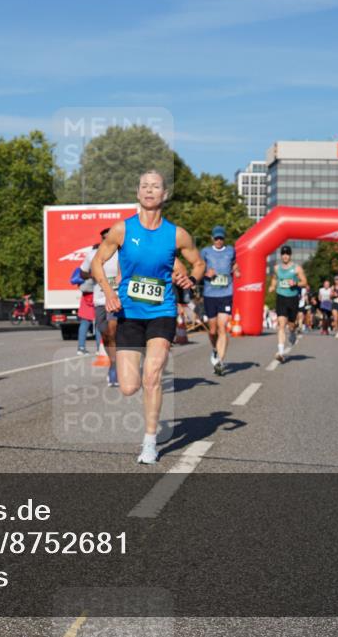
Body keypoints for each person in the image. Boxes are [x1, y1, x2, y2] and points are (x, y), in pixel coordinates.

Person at [91, 170, 204, 465]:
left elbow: (199, 262)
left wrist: (190, 278)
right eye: (144, 186)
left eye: (155, 186)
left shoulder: (176, 234)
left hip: (162, 312)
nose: (150, 190)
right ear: (138, 193)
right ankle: (146, 392)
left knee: (152, 376)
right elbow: (96, 262)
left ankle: (150, 442)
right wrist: (109, 290)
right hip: (129, 312)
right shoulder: (122, 230)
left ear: (165, 194)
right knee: (129, 386)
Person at [200, 225, 240, 376]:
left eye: (221, 238)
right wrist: (205, 273)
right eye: (216, 238)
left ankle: (220, 362)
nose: (218, 240)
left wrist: (236, 269)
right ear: (212, 238)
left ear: (224, 239)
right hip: (210, 294)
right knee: (212, 330)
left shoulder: (230, 250)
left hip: (226, 293)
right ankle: (215, 349)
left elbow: (234, 263)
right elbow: (198, 267)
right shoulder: (205, 252)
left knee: (222, 327)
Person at [82, 228, 120, 384]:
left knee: (113, 331)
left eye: (110, 237)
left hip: (117, 300)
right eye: (105, 238)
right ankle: (114, 362)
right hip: (99, 300)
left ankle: (115, 368)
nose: (107, 240)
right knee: (105, 334)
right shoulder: (93, 255)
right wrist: (93, 274)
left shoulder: (122, 254)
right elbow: (82, 273)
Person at [269, 245, 307, 363]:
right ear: (281, 255)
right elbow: (275, 278)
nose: (285, 256)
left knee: (291, 325)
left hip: (292, 299)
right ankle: (280, 352)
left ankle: (292, 332)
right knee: (281, 325)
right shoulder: (276, 268)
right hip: (281, 297)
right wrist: (273, 286)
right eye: (283, 254)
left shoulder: (297, 268)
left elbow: (304, 282)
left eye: (287, 254)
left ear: (290, 255)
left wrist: (295, 283)